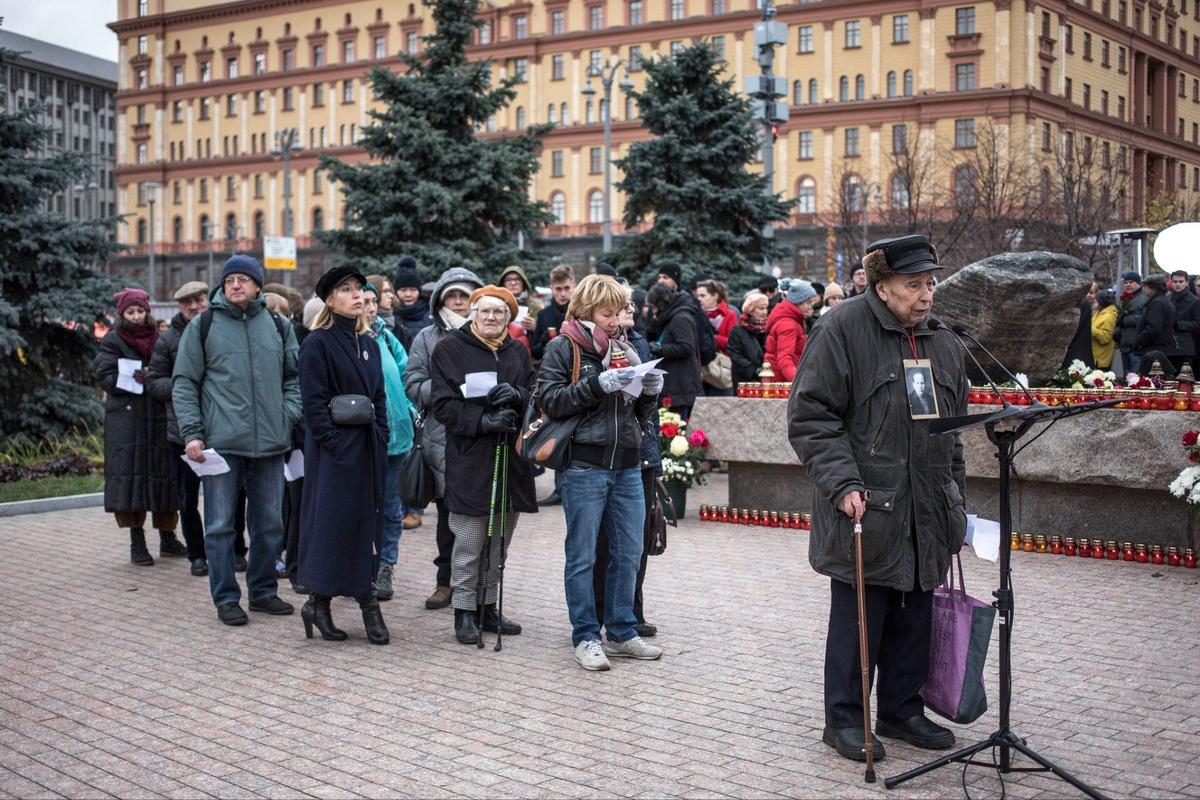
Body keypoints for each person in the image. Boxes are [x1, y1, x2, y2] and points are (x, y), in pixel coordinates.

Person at [788, 234, 967, 763]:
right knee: (860, 619)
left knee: (915, 612)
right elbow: (811, 417)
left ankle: (901, 709)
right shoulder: (841, 329)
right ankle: (844, 719)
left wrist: (955, 497)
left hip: (927, 506)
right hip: (867, 505)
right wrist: (843, 483)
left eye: (930, 283)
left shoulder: (942, 340)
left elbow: (953, 433)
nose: (926, 295)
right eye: (914, 285)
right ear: (881, 286)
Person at [539, 275, 664, 670]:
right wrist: (597, 385)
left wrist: (649, 392)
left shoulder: (625, 348)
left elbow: (637, 415)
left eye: (618, 312)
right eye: (606, 313)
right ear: (586, 311)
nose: (615, 320)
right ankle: (586, 635)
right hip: (583, 465)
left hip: (627, 463)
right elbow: (550, 400)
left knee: (629, 551)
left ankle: (622, 631)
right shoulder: (564, 346)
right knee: (583, 555)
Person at [173, 255, 301, 626]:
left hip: (271, 443)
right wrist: (192, 433)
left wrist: (287, 415)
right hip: (222, 443)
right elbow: (185, 383)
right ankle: (227, 598)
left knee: (269, 524)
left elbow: (294, 378)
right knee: (219, 526)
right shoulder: (204, 325)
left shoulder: (277, 325)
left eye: (244, 279)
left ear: (258, 285)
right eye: (230, 280)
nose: (235, 285)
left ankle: (262, 592)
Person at [430, 285, 536, 645]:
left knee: (499, 540)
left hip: (510, 458)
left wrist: (518, 396)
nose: (492, 317)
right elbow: (442, 404)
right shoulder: (450, 349)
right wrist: (482, 421)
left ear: (509, 318)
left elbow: (534, 391)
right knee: (470, 539)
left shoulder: (516, 350)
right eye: (485, 311)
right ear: (473, 314)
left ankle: (488, 605)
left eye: (500, 312)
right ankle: (464, 609)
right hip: (470, 457)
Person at [294, 267, 389, 644]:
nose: (356, 295)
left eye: (359, 289)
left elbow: (379, 398)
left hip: (367, 449)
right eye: (346, 290)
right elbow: (313, 404)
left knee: (365, 525)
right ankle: (337, 601)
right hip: (335, 454)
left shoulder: (369, 344)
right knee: (333, 526)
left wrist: (381, 436)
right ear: (330, 300)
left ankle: (333, 602)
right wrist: (335, 444)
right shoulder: (317, 343)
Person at [405, 267, 486, 610]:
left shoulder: (489, 333)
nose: (457, 301)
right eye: (451, 295)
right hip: (442, 437)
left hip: (483, 434)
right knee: (448, 515)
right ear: (440, 299)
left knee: (482, 516)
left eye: (464, 295)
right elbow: (413, 385)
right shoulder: (426, 337)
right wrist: (450, 389)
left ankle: (482, 588)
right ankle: (445, 582)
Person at [95, 288, 184, 566]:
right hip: (127, 419)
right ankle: (137, 541)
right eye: (131, 312)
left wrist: (153, 377)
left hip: (157, 416)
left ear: (147, 312)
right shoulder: (113, 340)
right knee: (131, 480)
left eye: (140, 311)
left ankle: (168, 538)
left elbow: (168, 369)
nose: (136, 316)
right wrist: (130, 378)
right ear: (122, 314)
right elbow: (104, 376)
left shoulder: (159, 338)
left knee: (165, 477)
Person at [592, 294, 662, 639]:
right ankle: (597, 613)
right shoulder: (590, 345)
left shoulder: (638, 344)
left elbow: (646, 409)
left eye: (631, 305)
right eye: (621, 307)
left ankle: (633, 610)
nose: (629, 310)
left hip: (639, 450)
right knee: (603, 542)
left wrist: (651, 391)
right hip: (602, 455)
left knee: (636, 540)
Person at [146, 281, 210, 576]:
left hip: (221, 427)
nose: (194, 306)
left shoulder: (220, 329)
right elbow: (154, 382)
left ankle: (234, 550)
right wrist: (185, 384)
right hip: (182, 431)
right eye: (187, 302)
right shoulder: (169, 339)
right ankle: (197, 554)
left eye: (199, 299)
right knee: (188, 498)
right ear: (179, 306)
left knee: (231, 497)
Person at [361, 281, 414, 602]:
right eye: (364, 301)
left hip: (398, 437)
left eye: (373, 301)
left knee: (392, 510)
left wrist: (411, 410)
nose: (369, 307)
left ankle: (385, 566)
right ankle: (359, 566)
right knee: (363, 508)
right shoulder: (347, 339)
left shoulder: (386, 335)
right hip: (364, 441)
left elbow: (407, 375)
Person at [645, 283, 703, 419]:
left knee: (676, 426)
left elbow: (686, 347)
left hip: (680, 387)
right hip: (675, 385)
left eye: (654, 306)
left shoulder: (680, 318)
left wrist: (660, 349)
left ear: (661, 303)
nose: (653, 311)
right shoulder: (671, 316)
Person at [764, 278, 817, 383]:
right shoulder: (789, 325)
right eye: (808, 303)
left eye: (812, 303)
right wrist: (799, 383)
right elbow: (784, 359)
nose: (811, 307)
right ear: (797, 302)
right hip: (783, 382)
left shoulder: (793, 320)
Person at [1133, 273, 1178, 374]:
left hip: (1154, 349)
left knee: (1149, 380)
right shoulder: (1164, 301)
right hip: (1161, 348)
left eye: (1145, 286)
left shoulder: (1157, 303)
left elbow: (1154, 328)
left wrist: (1139, 340)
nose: (1144, 289)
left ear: (1152, 287)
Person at [531, 265, 574, 360]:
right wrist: (544, 341)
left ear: (574, 287)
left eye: (567, 288)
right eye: (558, 289)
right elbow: (535, 353)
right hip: (553, 367)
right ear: (551, 289)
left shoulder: (581, 313)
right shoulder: (543, 314)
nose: (563, 294)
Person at [728, 291, 768, 389]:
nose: (765, 312)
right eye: (761, 308)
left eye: (766, 308)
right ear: (751, 311)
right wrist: (754, 370)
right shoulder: (738, 330)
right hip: (744, 381)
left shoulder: (767, 328)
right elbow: (735, 355)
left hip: (766, 379)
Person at [499, 265, 541, 354]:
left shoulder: (535, 307)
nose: (513, 283)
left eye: (517, 279)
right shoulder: (496, 305)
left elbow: (546, 335)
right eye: (508, 280)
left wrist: (535, 327)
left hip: (529, 354)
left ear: (524, 282)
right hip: (502, 352)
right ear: (503, 284)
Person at [393, 260, 433, 351]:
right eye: (403, 290)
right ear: (396, 291)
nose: (408, 294)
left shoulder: (431, 313)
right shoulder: (391, 315)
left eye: (413, 290)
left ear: (419, 291)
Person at [1116, 272, 1149, 371]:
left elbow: (1144, 318)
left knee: (1135, 377)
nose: (1128, 285)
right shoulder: (1125, 299)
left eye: (1131, 282)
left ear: (1138, 283)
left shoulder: (1144, 298)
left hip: (1137, 347)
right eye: (1125, 283)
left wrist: (1124, 320)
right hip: (1125, 345)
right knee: (1127, 377)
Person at [1169, 270, 1200, 371]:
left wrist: (1179, 325)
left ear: (1186, 283)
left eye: (1181, 281)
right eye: (1175, 281)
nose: (1177, 284)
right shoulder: (1167, 299)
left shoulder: (1195, 301)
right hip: (1168, 346)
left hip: (1186, 347)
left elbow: (1198, 324)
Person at [1062, 282, 1096, 369]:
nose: (1089, 295)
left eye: (1091, 293)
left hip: (1075, 348)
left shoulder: (1082, 302)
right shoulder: (1085, 303)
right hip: (1083, 348)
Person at [1091, 290, 1119, 370]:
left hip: (1100, 360)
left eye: (1096, 300)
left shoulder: (1109, 316)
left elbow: (1105, 338)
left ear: (1102, 301)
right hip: (1094, 356)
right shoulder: (1099, 312)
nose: (1094, 301)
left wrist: (1091, 329)